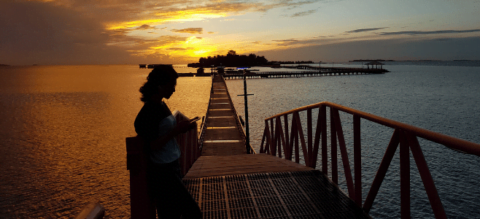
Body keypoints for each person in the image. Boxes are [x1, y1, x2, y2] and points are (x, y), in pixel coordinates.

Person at [134, 65, 202, 219]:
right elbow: (152, 145)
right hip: (163, 172)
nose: (174, 90)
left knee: (171, 214)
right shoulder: (149, 111)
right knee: (193, 213)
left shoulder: (161, 104)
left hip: (172, 165)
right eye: (172, 86)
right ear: (160, 86)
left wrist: (181, 129)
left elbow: (165, 132)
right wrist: (176, 131)